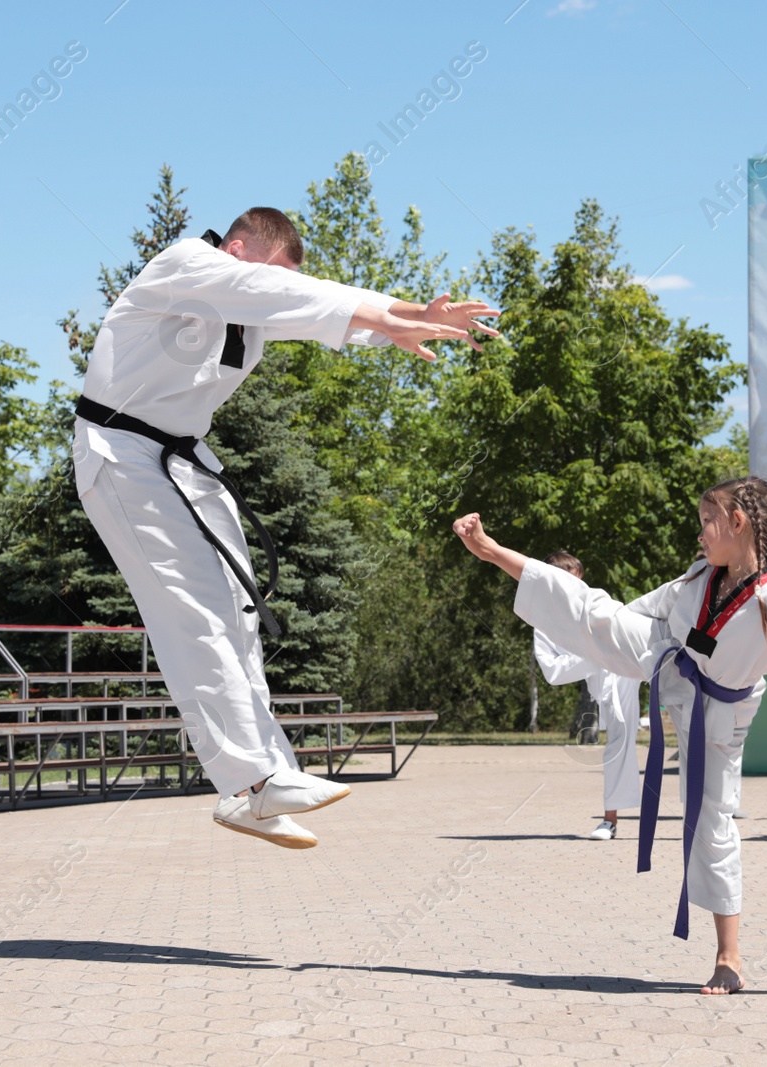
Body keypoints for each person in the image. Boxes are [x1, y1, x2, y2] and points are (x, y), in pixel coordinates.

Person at [74, 207, 499, 849]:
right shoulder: (187, 262)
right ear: (238, 247)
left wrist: (408, 315)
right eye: (272, 272)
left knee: (238, 613)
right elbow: (273, 291)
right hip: (121, 453)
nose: (279, 287)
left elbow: (308, 310)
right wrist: (389, 312)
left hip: (182, 461)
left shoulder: (253, 299)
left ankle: (258, 786)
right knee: (194, 614)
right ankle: (252, 779)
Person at [453, 475, 767, 995]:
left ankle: (728, 955)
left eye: (709, 522)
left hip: (719, 717)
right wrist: (610, 630)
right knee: (596, 611)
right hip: (667, 658)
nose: (702, 534)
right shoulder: (702, 575)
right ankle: (495, 553)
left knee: (711, 824)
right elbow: (646, 609)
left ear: (739, 523)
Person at [532, 551, 641, 840]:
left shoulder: (595, 601)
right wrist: (594, 656)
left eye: (579, 580)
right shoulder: (542, 622)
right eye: (570, 581)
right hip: (612, 673)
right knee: (618, 743)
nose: (578, 587)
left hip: (632, 658)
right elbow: (553, 673)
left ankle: (703, 810)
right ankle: (610, 820)